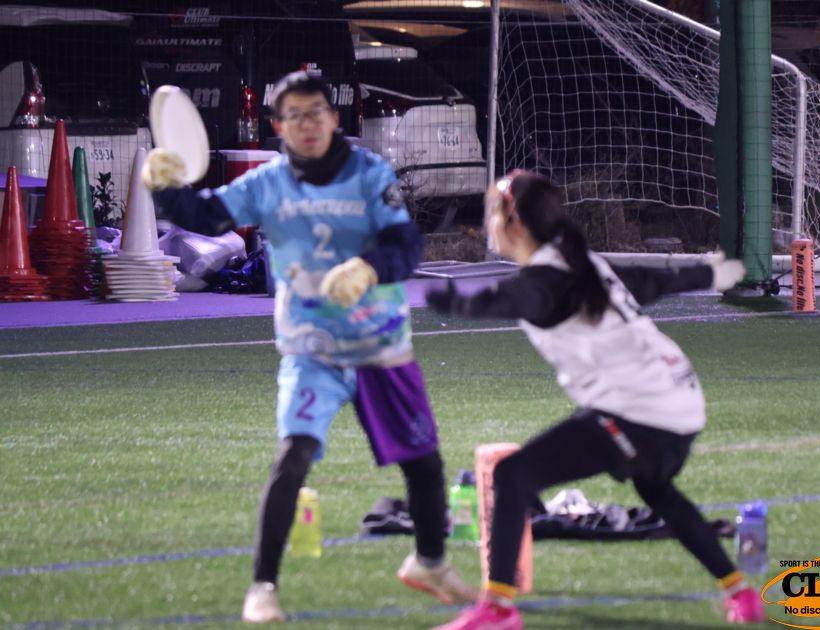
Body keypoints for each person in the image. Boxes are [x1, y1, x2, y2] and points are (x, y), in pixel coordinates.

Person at [142, 71, 476, 623]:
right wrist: (167, 188)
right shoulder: (267, 183)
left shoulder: (369, 174)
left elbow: (405, 244)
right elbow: (206, 215)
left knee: (422, 459)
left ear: (334, 117)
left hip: (379, 345)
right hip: (311, 350)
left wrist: (369, 268)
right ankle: (262, 588)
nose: (308, 124)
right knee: (293, 456)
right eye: (294, 115)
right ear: (279, 127)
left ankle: (430, 563)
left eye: (316, 111)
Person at [424, 170, 766, 629]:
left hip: (643, 413)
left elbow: (510, 300)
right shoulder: (582, 264)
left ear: (514, 223)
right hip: (679, 403)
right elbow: (649, 280)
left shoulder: (548, 279)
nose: (487, 223)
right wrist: (708, 272)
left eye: (491, 213)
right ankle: (741, 592)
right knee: (656, 491)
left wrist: (447, 300)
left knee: (512, 475)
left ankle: (498, 610)